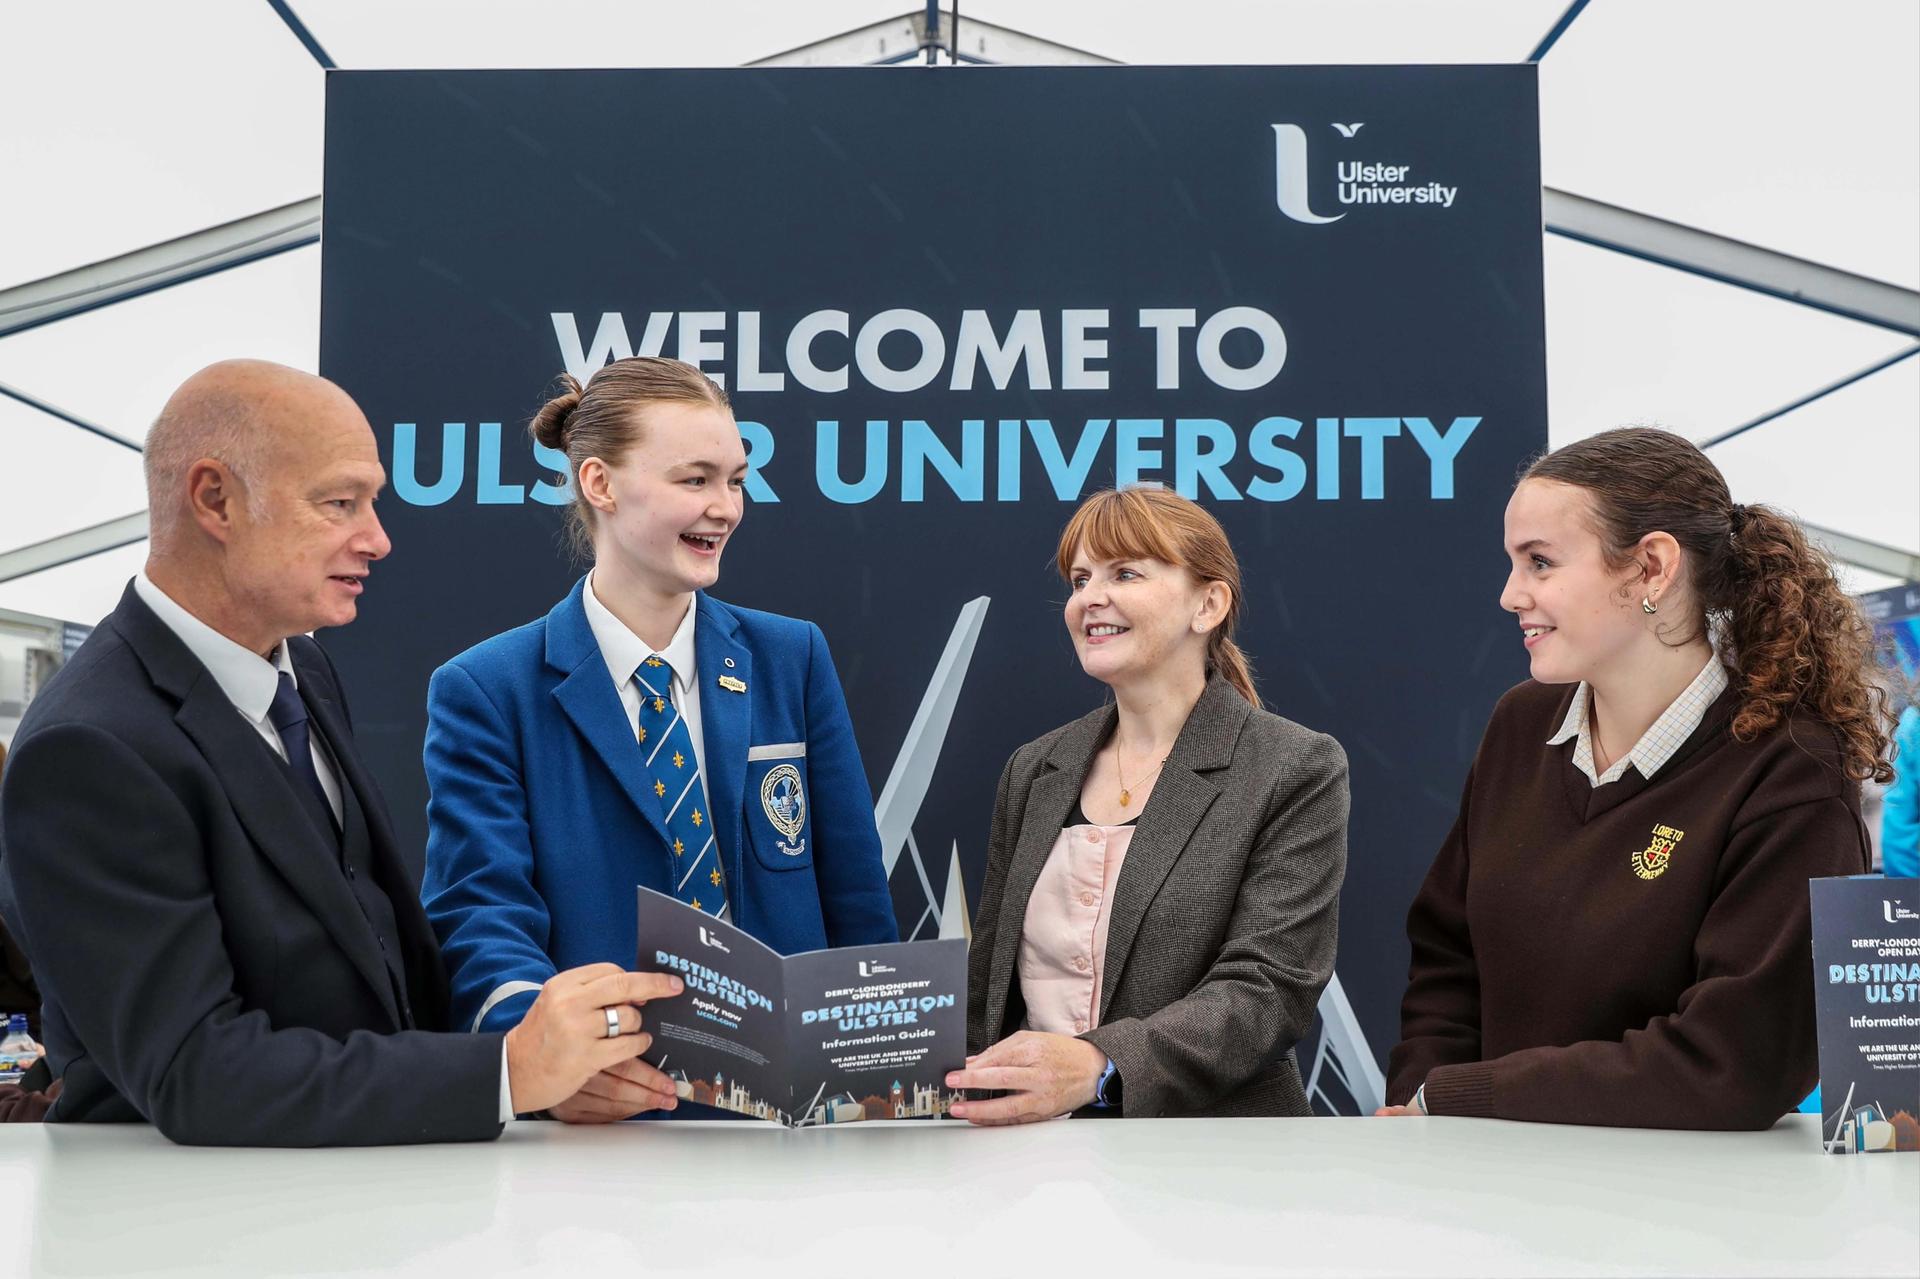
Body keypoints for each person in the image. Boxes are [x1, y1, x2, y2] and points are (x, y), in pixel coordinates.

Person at [0, 360, 683, 1146]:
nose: (379, 538)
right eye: (339, 503)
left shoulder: (305, 670)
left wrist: (536, 1072)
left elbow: (378, 959)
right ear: (214, 499)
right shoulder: (88, 748)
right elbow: (196, 1070)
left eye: (374, 502)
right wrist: (507, 1073)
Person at [422, 358, 895, 1121]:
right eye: (695, 479)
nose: (726, 507)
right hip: (608, 1130)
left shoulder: (792, 658)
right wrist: (546, 1063)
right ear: (600, 484)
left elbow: (857, 902)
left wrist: (875, 1081)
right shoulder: (487, 689)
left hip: (797, 1130)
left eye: (735, 480)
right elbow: (482, 916)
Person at [1382, 427, 1893, 1129]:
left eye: (1540, 563)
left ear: (1651, 568)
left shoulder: (1790, 769)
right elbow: (1448, 955)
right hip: (1487, 1191)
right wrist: (1426, 1102)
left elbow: (1734, 1061)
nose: (1509, 594)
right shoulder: (1521, 724)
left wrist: (1463, 1098)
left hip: (1679, 1218)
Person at [948, 487, 1348, 1122]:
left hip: (1212, 1160)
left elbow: (1268, 989)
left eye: (1124, 573)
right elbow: (987, 990)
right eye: (1080, 579)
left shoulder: (1293, 765)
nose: (1089, 599)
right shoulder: (1034, 768)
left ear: (1209, 604)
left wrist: (1098, 1065)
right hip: (1028, 1160)